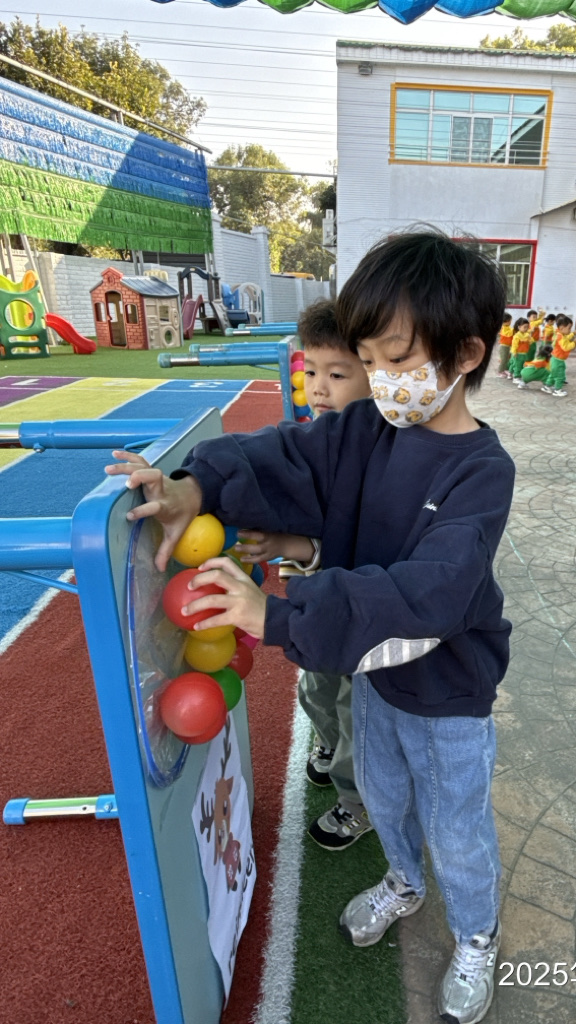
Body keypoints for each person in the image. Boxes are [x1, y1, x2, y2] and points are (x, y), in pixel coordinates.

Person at [107, 231, 515, 1024]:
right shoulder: (368, 431)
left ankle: (476, 933)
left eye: (398, 358)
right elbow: (287, 455)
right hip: (378, 681)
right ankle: (404, 881)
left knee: (457, 827)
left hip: (449, 693)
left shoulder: (482, 471)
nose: (382, 379)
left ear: (465, 353)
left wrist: (282, 615)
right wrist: (197, 486)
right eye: (370, 360)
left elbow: (430, 594)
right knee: (385, 797)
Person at [236, 299, 373, 851]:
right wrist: (278, 544)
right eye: (310, 371)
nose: (318, 387)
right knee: (316, 690)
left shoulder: (374, 453)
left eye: (337, 375)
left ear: (374, 373)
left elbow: (354, 540)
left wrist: (292, 545)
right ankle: (327, 743)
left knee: (355, 709)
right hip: (313, 605)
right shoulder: (310, 441)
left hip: (355, 613)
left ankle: (358, 804)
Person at [541, 314, 576, 397]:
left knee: (553, 374)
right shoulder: (560, 336)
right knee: (559, 375)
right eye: (569, 328)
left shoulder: (560, 334)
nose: (570, 330)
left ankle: (547, 387)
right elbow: (566, 347)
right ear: (561, 328)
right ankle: (558, 390)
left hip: (555, 359)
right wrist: (574, 342)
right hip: (558, 360)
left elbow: (566, 338)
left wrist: (572, 334)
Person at [510, 316, 534, 382]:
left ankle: (516, 375)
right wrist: (514, 352)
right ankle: (516, 377)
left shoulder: (526, 335)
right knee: (517, 365)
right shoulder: (517, 336)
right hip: (518, 354)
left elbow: (531, 342)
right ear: (519, 327)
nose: (526, 329)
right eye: (524, 327)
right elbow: (514, 345)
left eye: (527, 327)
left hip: (524, 353)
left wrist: (529, 337)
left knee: (521, 365)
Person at [495, 312, 514, 377]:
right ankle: (500, 371)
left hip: (508, 346)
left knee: (507, 359)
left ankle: (504, 369)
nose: (510, 322)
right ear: (506, 321)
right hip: (504, 346)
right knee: (503, 359)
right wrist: (514, 330)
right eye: (510, 321)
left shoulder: (508, 327)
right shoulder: (503, 328)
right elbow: (508, 334)